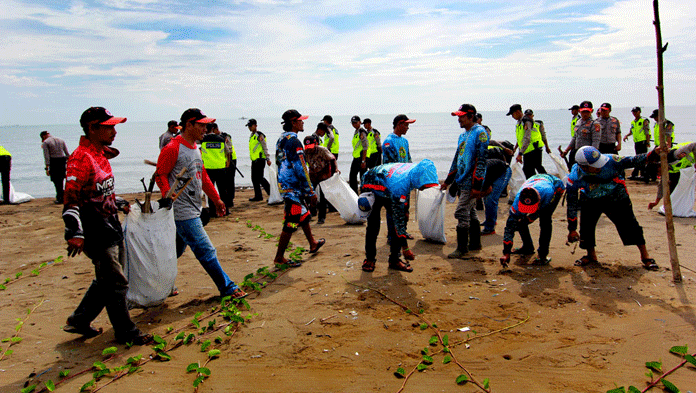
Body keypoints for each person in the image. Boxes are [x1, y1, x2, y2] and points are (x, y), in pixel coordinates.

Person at [61, 107, 152, 345]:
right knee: (116, 282)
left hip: (110, 226)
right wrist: (75, 233)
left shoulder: (100, 154)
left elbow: (102, 192)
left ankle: (79, 319)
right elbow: (71, 196)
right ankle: (126, 332)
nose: (114, 132)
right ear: (92, 127)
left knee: (107, 279)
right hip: (94, 230)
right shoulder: (80, 158)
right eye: (109, 127)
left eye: (114, 126)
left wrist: (120, 203)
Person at [155, 108, 247, 299]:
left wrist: (217, 199)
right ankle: (227, 287)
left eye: (207, 125)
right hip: (182, 210)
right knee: (206, 250)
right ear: (189, 125)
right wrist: (167, 193)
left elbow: (203, 176)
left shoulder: (195, 147)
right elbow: (160, 174)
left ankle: (158, 283)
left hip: (195, 207)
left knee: (174, 251)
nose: (206, 128)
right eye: (202, 125)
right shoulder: (172, 148)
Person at [566, 146, 659, 270]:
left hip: (616, 195)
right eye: (595, 165)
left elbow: (633, 160)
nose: (599, 166)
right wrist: (572, 229)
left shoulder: (610, 160)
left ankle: (645, 256)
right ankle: (591, 255)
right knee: (586, 227)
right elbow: (571, 203)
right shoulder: (574, 177)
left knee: (630, 225)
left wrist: (654, 153)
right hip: (590, 198)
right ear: (584, 167)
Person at [359, 160, 439, 273]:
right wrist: (405, 248)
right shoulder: (399, 185)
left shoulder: (417, 171)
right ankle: (370, 258)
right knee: (373, 225)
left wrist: (405, 209)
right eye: (424, 186)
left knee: (399, 221)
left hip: (390, 184)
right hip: (371, 184)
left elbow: (406, 191)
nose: (423, 189)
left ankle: (394, 259)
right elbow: (398, 220)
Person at [273, 109, 325, 267]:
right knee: (291, 221)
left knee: (303, 215)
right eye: (300, 120)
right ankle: (279, 257)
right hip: (292, 187)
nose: (303, 122)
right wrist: (310, 191)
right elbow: (301, 168)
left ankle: (312, 243)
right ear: (293, 123)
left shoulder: (281, 140)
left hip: (284, 184)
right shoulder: (295, 142)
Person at [441, 104, 488, 259]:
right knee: (470, 211)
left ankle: (462, 248)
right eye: (458, 117)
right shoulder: (462, 136)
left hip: (471, 181)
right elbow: (457, 159)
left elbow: (481, 161)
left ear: (470, 116)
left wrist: (477, 186)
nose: (459, 120)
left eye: (461, 117)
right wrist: (448, 181)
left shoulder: (480, 133)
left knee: (461, 211)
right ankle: (475, 243)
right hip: (461, 180)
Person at [499, 174, 565, 268]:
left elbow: (542, 210)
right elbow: (509, 227)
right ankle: (527, 247)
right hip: (535, 182)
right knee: (519, 221)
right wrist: (506, 252)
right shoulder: (517, 201)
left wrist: (531, 217)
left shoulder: (548, 193)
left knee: (545, 221)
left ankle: (543, 255)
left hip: (556, 187)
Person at [648, 141, 696, 210]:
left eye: (658, 173)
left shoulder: (674, 155)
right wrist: (656, 202)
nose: (659, 175)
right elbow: (662, 185)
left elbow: (694, 145)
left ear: (659, 167)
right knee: (672, 188)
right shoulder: (667, 170)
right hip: (686, 167)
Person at [303, 134, 338, 225]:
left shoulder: (322, 150)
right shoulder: (305, 152)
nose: (309, 149)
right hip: (313, 174)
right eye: (307, 147)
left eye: (311, 146)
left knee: (323, 196)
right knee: (309, 194)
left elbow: (333, 159)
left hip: (324, 173)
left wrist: (335, 171)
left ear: (315, 144)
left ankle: (321, 217)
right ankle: (311, 212)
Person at [480, 141, 514, 235]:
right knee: (486, 198)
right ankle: (490, 220)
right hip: (494, 172)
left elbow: (487, 189)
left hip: (503, 172)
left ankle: (490, 228)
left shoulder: (482, 170)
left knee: (491, 198)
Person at [507, 105, 547, 178]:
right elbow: (520, 139)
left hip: (533, 149)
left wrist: (520, 154)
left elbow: (527, 138)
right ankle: (536, 184)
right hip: (527, 150)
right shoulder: (520, 123)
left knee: (531, 169)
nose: (512, 116)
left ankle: (546, 182)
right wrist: (516, 149)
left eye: (512, 114)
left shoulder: (526, 121)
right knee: (529, 170)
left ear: (518, 112)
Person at [201, 123, 232, 215]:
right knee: (223, 190)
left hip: (208, 167)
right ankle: (225, 210)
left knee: (211, 190)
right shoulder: (221, 139)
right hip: (220, 167)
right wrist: (228, 162)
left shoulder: (203, 139)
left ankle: (213, 211)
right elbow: (228, 152)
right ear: (213, 129)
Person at [40, 131, 70, 204]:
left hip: (54, 161)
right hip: (62, 161)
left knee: (56, 181)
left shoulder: (46, 142)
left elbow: (46, 156)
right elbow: (66, 152)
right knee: (61, 179)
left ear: (43, 136)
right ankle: (62, 196)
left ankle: (60, 197)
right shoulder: (61, 140)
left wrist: (47, 168)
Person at [645, 109, 675, 182]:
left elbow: (669, 137)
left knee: (665, 163)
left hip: (665, 146)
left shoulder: (667, 124)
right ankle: (652, 177)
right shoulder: (657, 124)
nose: (654, 119)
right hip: (657, 146)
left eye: (655, 117)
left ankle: (666, 177)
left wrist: (668, 148)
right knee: (650, 161)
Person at [247, 118, 272, 201]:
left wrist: (268, 158)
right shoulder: (252, 136)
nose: (250, 128)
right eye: (249, 126)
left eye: (251, 126)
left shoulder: (259, 135)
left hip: (260, 159)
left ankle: (271, 193)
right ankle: (258, 195)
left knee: (260, 178)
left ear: (255, 126)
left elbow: (264, 147)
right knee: (254, 178)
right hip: (254, 160)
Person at [624, 107, 651, 180]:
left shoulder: (644, 120)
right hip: (637, 142)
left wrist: (648, 142)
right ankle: (638, 174)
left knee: (641, 158)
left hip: (643, 142)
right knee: (638, 158)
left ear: (639, 112)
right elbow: (631, 131)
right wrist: (626, 135)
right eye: (633, 112)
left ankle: (641, 174)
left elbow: (647, 132)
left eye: (636, 112)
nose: (634, 113)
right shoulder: (633, 122)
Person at [349, 115, 368, 194]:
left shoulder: (361, 132)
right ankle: (355, 193)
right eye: (353, 123)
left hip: (361, 157)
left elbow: (365, 147)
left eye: (355, 123)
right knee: (352, 177)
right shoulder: (356, 131)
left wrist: (363, 161)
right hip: (356, 157)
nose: (354, 124)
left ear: (360, 122)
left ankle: (363, 193)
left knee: (361, 177)